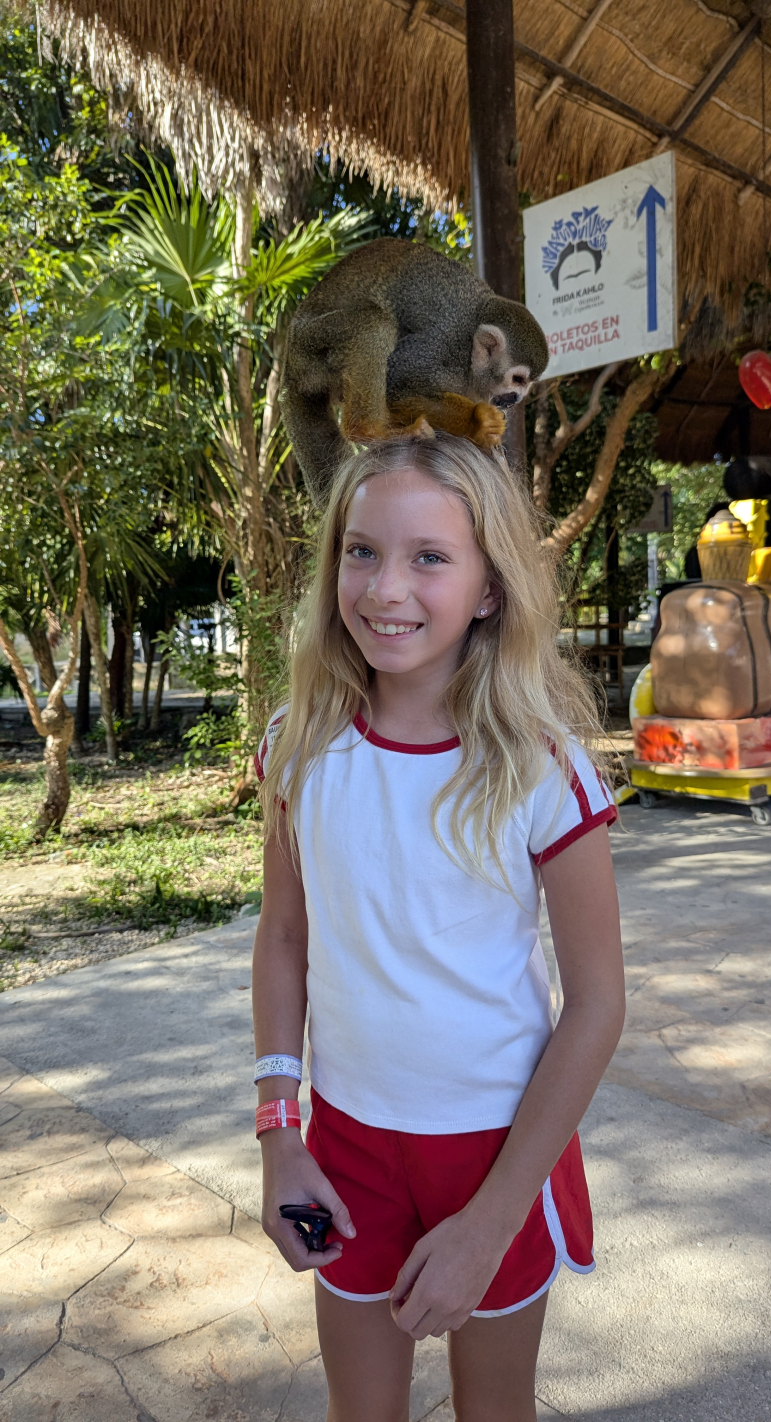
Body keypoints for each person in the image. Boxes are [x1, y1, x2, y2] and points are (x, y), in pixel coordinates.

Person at [251, 431, 625, 1422]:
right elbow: (284, 940)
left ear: (489, 588)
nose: (386, 588)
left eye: (429, 557)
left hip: (496, 1152)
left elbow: (596, 1004)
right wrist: (280, 1134)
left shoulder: (542, 767)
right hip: (345, 1146)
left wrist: (491, 1220)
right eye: (361, 551)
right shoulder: (298, 745)